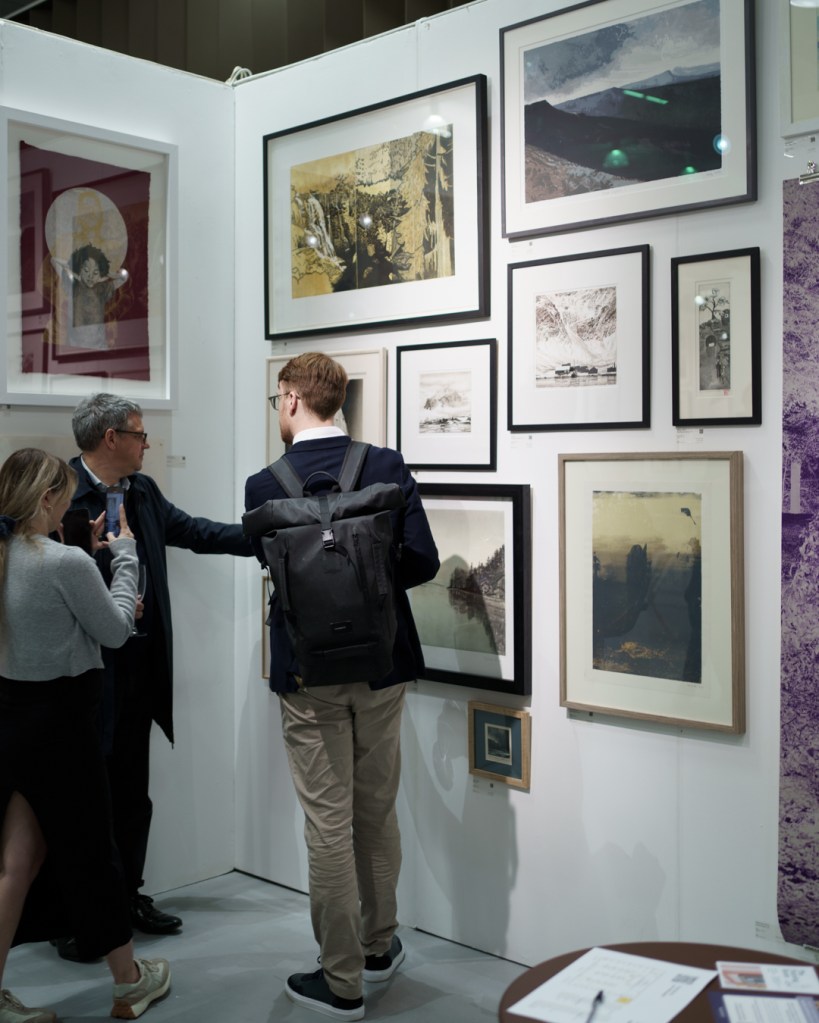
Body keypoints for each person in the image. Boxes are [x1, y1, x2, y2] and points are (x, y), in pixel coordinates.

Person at [244, 352, 439, 1021]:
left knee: (328, 824)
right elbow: (422, 560)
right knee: (376, 811)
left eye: (277, 398)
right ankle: (378, 947)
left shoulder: (264, 483)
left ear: (292, 399)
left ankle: (342, 980)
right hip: (381, 664)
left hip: (307, 674)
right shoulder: (385, 465)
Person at [52, 393, 252, 963]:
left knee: (132, 795)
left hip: (139, 667)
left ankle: (127, 899)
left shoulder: (142, 491)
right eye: (140, 434)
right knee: (83, 802)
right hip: (86, 671)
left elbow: (196, 532)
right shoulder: (60, 493)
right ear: (111, 437)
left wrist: (265, 534)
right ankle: (78, 917)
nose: (147, 443)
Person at [0, 448, 170, 1022]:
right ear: (47, 498)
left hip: (13, 722)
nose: (69, 508)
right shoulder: (63, 562)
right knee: (95, 856)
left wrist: (86, 558)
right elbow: (117, 630)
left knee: (16, 864)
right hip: (65, 727)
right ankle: (129, 984)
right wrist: (124, 559)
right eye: (65, 498)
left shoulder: (8, 555)